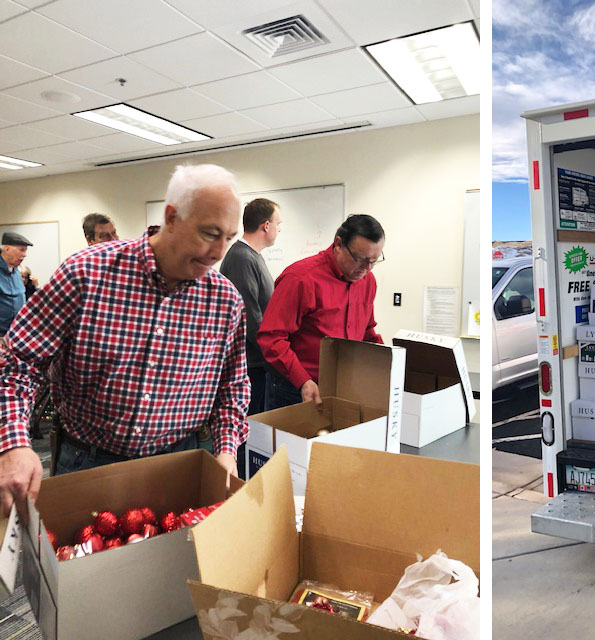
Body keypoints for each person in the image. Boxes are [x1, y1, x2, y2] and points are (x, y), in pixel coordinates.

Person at [0, 164, 249, 517]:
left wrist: (226, 452)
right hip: (89, 464)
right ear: (172, 217)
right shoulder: (86, 274)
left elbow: (233, 389)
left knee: (176, 570)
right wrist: (13, 444)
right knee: (82, 567)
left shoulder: (224, 301)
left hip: (180, 467)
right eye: (210, 234)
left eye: (229, 237)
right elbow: (18, 362)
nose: (218, 251)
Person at [258, 214, 384, 410]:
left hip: (340, 387)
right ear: (338, 244)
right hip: (293, 388)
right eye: (360, 259)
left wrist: (389, 363)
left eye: (374, 261)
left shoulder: (368, 282)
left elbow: (367, 333)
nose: (366, 269)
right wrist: (302, 380)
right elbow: (271, 338)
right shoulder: (301, 278)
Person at [219, 198, 281, 416]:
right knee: (248, 430)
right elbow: (249, 316)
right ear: (266, 226)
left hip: (257, 362)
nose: (279, 230)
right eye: (278, 224)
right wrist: (273, 351)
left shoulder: (252, 257)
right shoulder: (241, 258)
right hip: (249, 365)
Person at [0, 232, 32, 337]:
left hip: (17, 334)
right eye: (21, 250)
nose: (25, 255)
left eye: (26, 250)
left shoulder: (17, 271)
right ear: (7, 249)